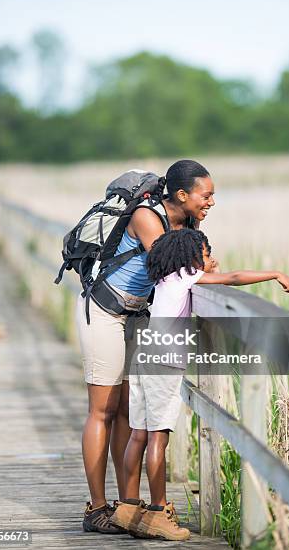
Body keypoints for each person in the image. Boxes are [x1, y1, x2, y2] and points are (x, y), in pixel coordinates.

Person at [109, 228, 289, 540]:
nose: (211, 260)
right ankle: (158, 513)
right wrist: (275, 274)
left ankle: (129, 509)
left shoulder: (165, 276)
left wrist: (207, 266)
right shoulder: (186, 275)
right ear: (190, 259)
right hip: (163, 363)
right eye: (206, 254)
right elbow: (234, 277)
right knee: (158, 439)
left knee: (139, 435)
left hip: (143, 357)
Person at [78, 160, 215, 533]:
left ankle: (129, 506)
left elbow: (190, 266)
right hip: (105, 310)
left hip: (140, 314)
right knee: (103, 408)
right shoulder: (146, 215)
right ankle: (97, 508)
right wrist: (205, 267)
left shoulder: (187, 222)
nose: (211, 202)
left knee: (129, 410)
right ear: (182, 194)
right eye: (206, 195)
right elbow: (170, 264)